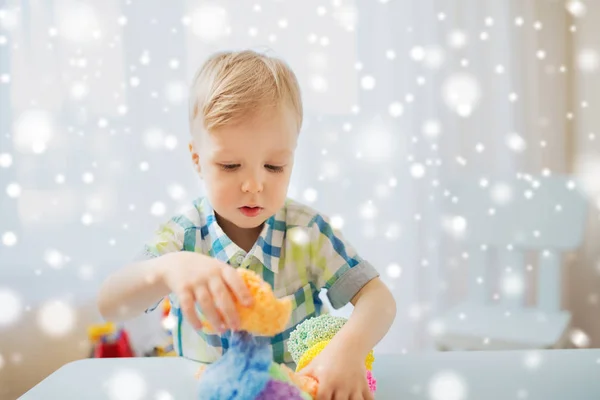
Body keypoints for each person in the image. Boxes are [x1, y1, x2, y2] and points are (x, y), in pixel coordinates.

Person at [97, 49, 396, 400]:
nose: (254, 184)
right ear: (197, 159)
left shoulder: (307, 232)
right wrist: (167, 269)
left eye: (273, 167)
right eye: (229, 166)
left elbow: (379, 299)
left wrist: (348, 349)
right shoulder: (183, 237)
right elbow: (110, 304)